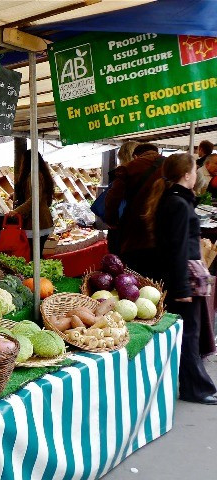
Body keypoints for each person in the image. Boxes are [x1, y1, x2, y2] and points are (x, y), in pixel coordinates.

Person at [144, 153, 217, 404]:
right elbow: (177, 248)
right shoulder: (177, 203)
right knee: (189, 333)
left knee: (189, 332)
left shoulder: (175, 200)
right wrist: (182, 286)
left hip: (181, 275)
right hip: (183, 277)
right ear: (186, 174)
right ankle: (194, 388)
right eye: (194, 170)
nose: (197, 173)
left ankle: (195, 385)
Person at [105, 143, 165, 278]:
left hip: (136, 234)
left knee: (135, 278)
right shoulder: (172, 166)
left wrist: (112, 221)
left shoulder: (129, 167)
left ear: (136, 155)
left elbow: (112, 199)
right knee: (159, 279)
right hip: (165, 235)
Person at [11, 150, 55, 259]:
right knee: (36, 254)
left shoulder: (34, 175)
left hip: (37, 221)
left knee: (33, 255)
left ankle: (35, 275)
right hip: (42, 220)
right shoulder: (40, 173)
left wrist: (16, 211)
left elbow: (34, 199)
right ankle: (37, 275)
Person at [106, 141, 139, 254]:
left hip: (117, 230)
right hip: (132, 231)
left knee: (117, 264)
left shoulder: (116, 175)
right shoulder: (133, 175)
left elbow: (110, 203)